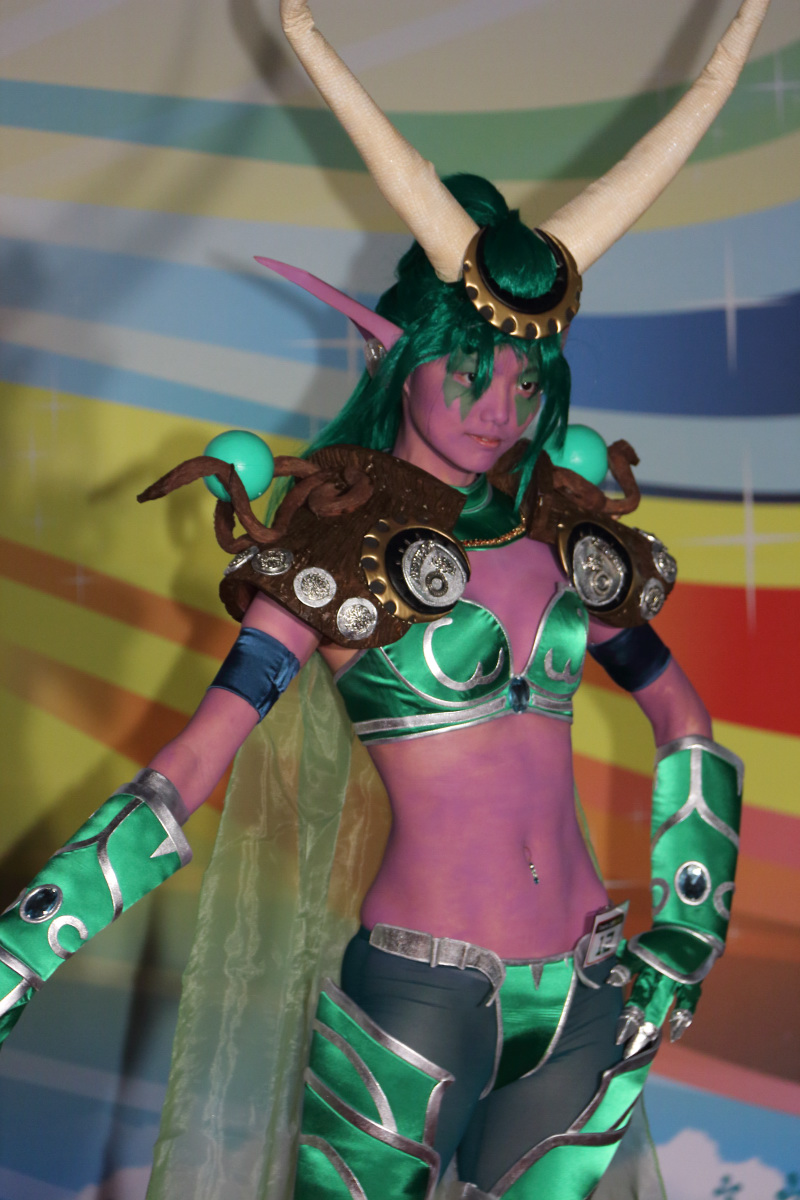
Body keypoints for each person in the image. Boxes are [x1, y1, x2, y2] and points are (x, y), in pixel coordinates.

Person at [0, 2, 763, 1197]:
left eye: (525, 379)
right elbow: (194, 762)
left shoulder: (563, 532)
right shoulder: (331, 551)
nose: (499, 408)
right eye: (468, 368)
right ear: (392, 352)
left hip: (590, 992)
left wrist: (687, 929)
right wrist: (23, 945)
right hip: (418, 998)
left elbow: (682, 719)